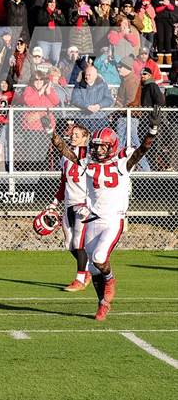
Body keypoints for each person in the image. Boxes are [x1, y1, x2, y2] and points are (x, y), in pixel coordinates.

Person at [48, 107, 162, 320]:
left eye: (102, 147)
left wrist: (153, 129)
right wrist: (51, 133)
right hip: (93, 219)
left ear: (112, 147)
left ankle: (111, 279)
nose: (98, 151)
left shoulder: (122, 163)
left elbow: (143, 149)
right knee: (93, 268)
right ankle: (102, 303)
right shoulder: (88, 162)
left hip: (112, 219)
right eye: (97, 147)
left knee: (100, 258)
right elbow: (66, 151)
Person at [48, 122, 91, 291]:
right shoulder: (65, 157)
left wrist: (91, 203)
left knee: (79, 243)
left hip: (83, 204)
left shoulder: (88, 156)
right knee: (69, 245)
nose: (73, 137)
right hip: (68, 203)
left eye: (77, 135)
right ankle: (87, 271)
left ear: (85, 138)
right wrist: (54, 203)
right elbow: (63, 183)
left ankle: (80, 279)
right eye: (72, 134)